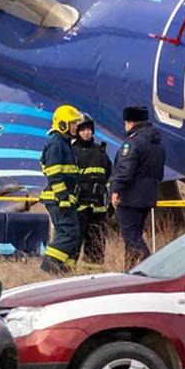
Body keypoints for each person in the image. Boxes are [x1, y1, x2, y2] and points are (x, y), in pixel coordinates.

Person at [110, 106, 165, 268]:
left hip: (130, 197)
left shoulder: (133, 143)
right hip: (149, 195)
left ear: (130, 123)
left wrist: (115, 189)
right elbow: (159, 173)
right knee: (135, 235)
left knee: (131, 236)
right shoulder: (157, 143)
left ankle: (151, 266)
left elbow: (124, 170)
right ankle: (131, 271)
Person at [39, 105, 83, 273]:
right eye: (73, 123)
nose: (76, 126)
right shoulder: (55, 144)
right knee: (68, 234)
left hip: (65, 199)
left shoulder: (65, 143)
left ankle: (65, 271)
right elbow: (54, 174)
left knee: (72, 234)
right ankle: (48, 267)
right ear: (63, 124)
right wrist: (63, 198)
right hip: (58, 199)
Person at [72, 113, 112, 265]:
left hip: (98, 207)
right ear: (78, 131)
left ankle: (94, 272)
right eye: (83, 130)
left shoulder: (101, 152)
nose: (86, 132)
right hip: (79, 206)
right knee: (75, 242)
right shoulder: (72, 151)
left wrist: (109, 201)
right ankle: (67, 272)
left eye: (88, 129)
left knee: (97, 243)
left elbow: (109, 176)